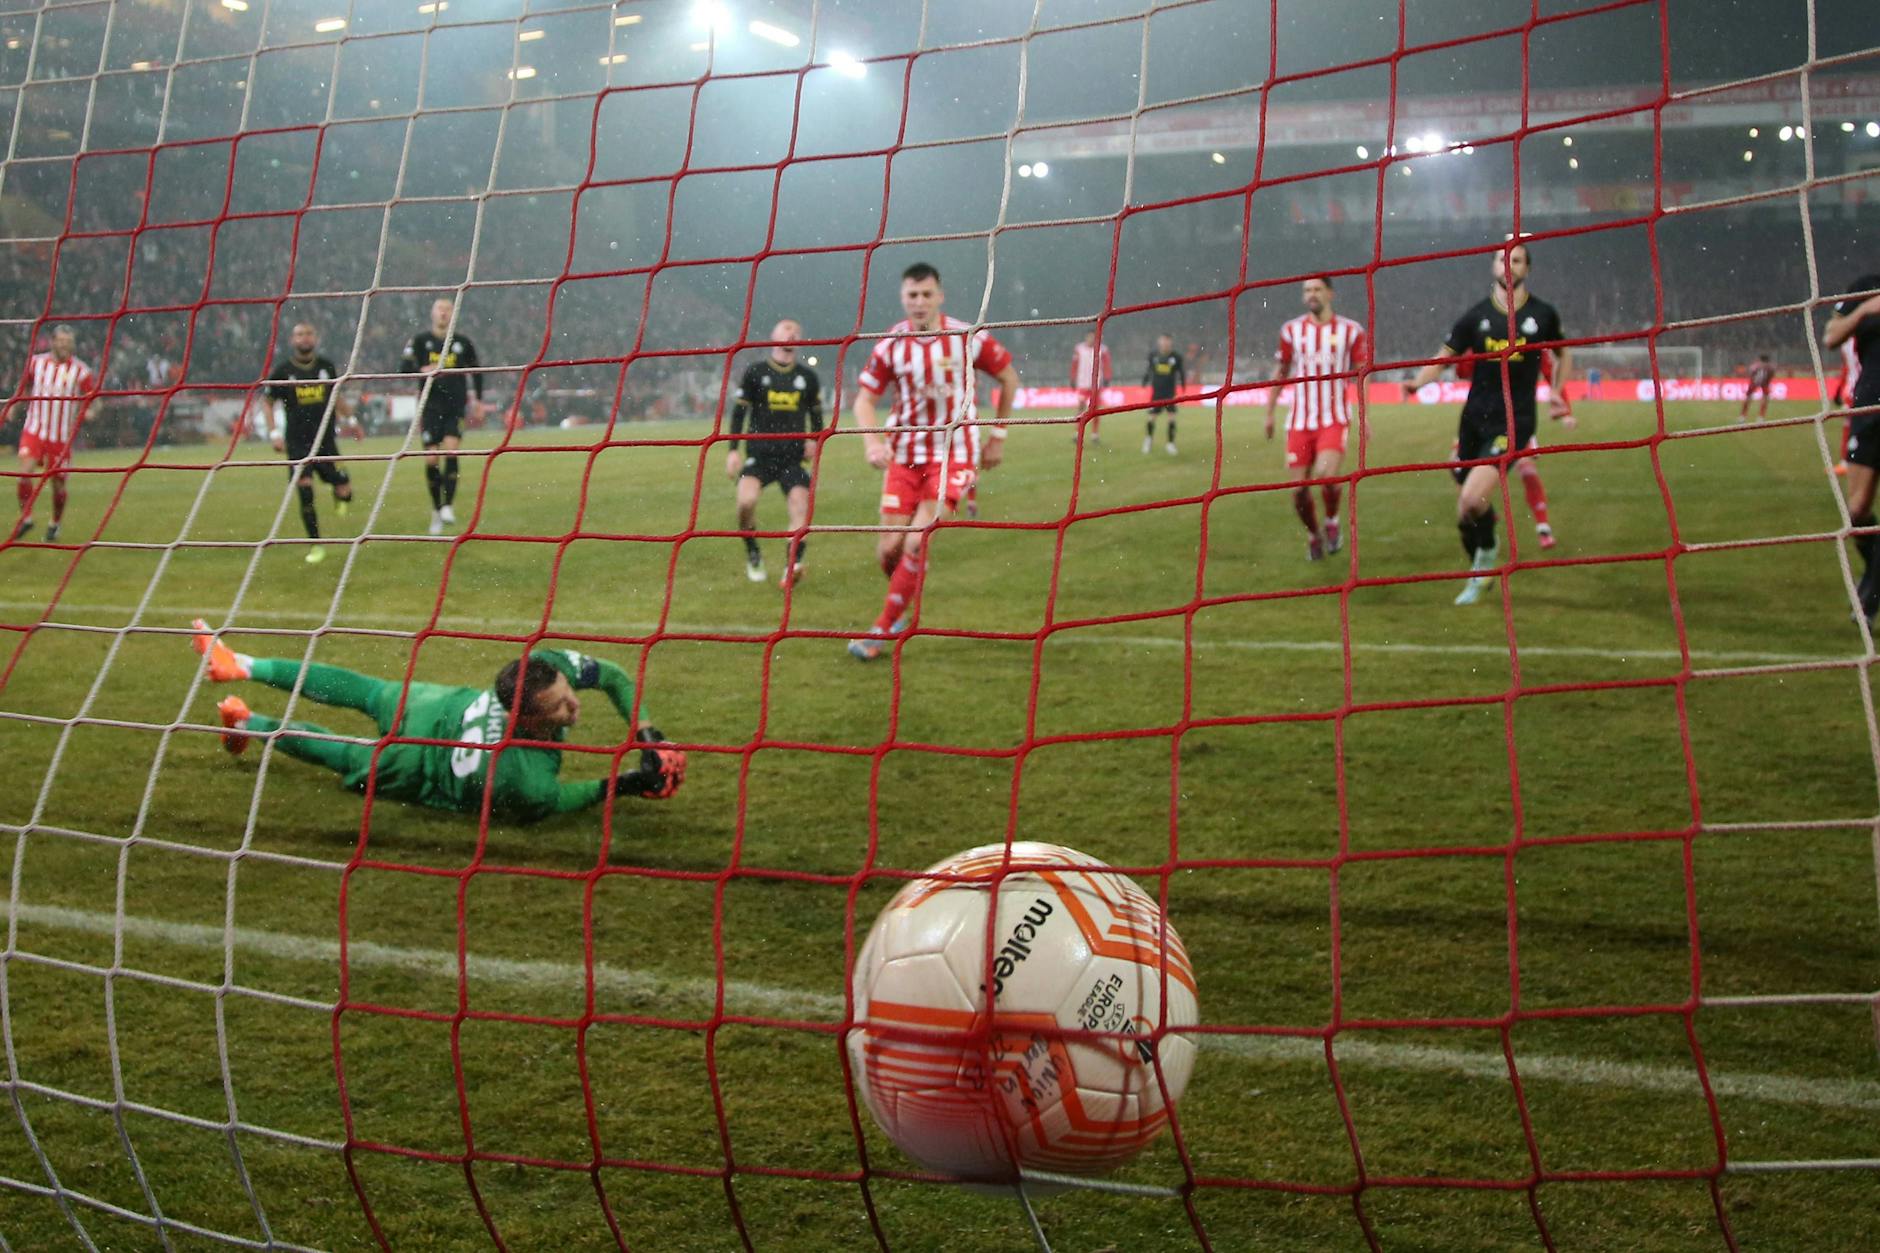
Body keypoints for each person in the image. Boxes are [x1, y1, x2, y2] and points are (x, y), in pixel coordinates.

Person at [191, 621, 685, 822]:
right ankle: (248, 719)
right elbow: (559, 800)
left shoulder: (544, 667)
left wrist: (645, 732)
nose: (572, 708)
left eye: (567, 695)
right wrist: (626, 783)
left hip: (436, 707)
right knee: (340, 751)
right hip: (421, 767)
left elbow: (616, 675)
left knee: (361, 691)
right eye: (556, 709)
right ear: (524, 722)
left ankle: (245, 668)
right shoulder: (523, 778)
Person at [848, 262, 1020, 661]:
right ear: (903, 298)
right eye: (912, 295)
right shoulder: (890, 344)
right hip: (904, 457)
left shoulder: (966, 337)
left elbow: (1009, 378)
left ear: (940, 296)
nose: (920, 302)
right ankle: (904, 599)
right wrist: (872, 444)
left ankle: (880, 631)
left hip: (953, 456)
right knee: (887, 551)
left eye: (927, 294)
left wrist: (998, 435)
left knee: (915, 540)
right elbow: (863, 401)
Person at [1407, 240, 1572, 605]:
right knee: (1466, 513)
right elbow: (1444, 356)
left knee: (1470, 497)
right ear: (1494, 266)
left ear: (1526, 268)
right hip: (1473, 418)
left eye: (1516, 260)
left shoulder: (1543, 314)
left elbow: (1563, 354)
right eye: (1503, 259)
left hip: (1514, 420)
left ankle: (1485, 562)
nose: (1509, 265)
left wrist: (1558, 390)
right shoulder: (1476, 316)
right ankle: (1480, 565)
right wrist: (1417, 382)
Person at [1265, 277, 1367, 560]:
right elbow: (1281, 370)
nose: (1312, 294)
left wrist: (1363, 413)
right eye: (1307, 290)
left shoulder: (1351, 330)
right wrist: (1270, 411)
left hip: (1333, 418)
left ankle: (1332, 521)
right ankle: (1314, 535)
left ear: (1330, 294)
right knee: (1298, 492)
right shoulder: (1291, 331)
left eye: (1317, 289)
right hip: (1299, 420)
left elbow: (1362, 372)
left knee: (1327, 476)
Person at [725, 318, 823, 588]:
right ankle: (753, 552)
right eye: (786, 328)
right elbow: (739, 413)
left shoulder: (807, 377)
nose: (792, 333)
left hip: (791, 458)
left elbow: (816, 417)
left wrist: (815, 440)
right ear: (773, 334)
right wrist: (733, 450)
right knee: (745, 503)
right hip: (760, 456)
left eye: (796, 330)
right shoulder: (756, 372)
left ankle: (791, 566)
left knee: (800, 506)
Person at [266, 322, 358, 565]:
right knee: (304, 489)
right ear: (292, 340)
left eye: (308, 333)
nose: (304, 338)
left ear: (315, 338)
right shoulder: (284, 371)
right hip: (297, 444)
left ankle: (340, 495)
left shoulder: (326, 366)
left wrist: (352, 419)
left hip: (326, 442)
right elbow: (267, 401)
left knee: (346, 492)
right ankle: (316, 544)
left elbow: (336, 397)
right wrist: (274, 433)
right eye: (299, 334)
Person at [6, 324, 97, 544]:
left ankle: (54, 524)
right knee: (25, 473)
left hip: (61, 437)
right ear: (53, 342)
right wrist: (12, 406)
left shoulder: (81, 371)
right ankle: (26, 518)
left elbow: (93, 397)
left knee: (58, 484)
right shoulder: (36, 363)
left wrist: (92, 410)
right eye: (62, 341)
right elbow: (23, 388)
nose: (65, 345)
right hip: (35, 430)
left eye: (69, 342)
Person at [401, 297, 484, 535]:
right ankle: (437, 509)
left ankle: (448, 505)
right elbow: (402, 368)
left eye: (448, 309)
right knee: (431, 459)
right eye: (440, 309)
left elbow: (477, 372)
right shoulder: (420, 341)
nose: (444, 313)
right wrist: (421, 370)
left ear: (453, 314)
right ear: (432, 313)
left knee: (451, 449)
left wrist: (478, 400)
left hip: (455, 406)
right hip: (430, 406)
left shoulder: (462, 343)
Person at [1824, 274, 1880, 621]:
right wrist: (1864, 313)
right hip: (1870, 406)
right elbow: (1831, 337)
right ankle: (1874, 574)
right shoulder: (1867, 286)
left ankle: (1870, 594)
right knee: (1857, 510)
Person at [1141, 333, 1185, 455]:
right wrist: (1144, 381)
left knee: (1171, 418)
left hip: (1170, 393)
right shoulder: (1153, 355)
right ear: (1159, 342)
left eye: (1167, 341)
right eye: (1163, 341)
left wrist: (1183, 384)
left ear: (1170, 343)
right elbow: (1148, 370)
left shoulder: (1176, 357)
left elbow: (1181, 372)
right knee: (1151, 417)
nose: (1165, 344)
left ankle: (1170, 444)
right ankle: (1148, 440)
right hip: (1157, 393)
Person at [1070, 330, 1111, 445]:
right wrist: (1072, 378)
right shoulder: (1079, 348)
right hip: (1082, 383)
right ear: (1086, 337)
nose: (1091, 339)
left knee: (1095, 409)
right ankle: (1077, 433)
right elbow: (1074, 364)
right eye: (1089, 337)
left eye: (1093, 337)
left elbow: (1107, 364)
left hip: (1095, 384)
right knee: (1081, 407)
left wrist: (1107, 377)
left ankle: (1094, 434)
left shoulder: (1102, 349)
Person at [1834, 336, 1862, 476]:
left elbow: (1847, 367)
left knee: (1850, 425)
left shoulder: (1846, 340)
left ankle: (1847, 461)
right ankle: (1848, 461)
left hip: (1856, 388)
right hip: (1860, 387)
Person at [1739, 353, 1776, 421]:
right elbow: (1772, 374)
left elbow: (1750, 372)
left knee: (1748, 398)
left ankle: (1743, 416)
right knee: (1765, 398)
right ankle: (1761, 417)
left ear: (1760, 359)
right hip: (1765, 383)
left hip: (1754, 382)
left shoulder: (1755, 365)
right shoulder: (1770, 367)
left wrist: (1754, 379)